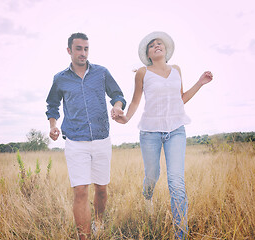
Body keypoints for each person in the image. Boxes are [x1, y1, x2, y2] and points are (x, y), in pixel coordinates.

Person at [113, 31, 213, 239]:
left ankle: (180, 235)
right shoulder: (142, 72)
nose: (156, 45)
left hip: (176, 130)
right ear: (148, 54)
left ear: (166, 50)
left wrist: (200, 83)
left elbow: (181, 99)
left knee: (176, 181)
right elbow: (134, 101)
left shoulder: (176, 70)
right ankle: (147, 196)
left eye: (160, 43)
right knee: (152, 175)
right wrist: (126, 119)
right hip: (150, 132)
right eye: (152, 45)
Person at [45, 32, 126, 240]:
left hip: (101, 139)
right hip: (75, 141)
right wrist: (53, 125)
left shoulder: (102, 73)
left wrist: (117, 107)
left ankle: (98, 223)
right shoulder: (60, 79)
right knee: (80, 190)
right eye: (79, 48)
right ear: (69, 50)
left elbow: (117, 95)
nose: (83, 53)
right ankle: (85, 237)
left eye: (86, 48)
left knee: (101, 189)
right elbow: (52, 106)